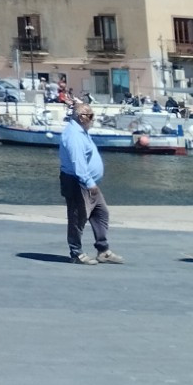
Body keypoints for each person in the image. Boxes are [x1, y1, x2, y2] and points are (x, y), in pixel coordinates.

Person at [59, 100, 122, 264]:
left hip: (88, 182)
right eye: (91, 116)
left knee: (101, 213)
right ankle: (76, 253)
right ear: (82, 117)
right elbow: (77, 162)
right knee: (78, 218)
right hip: (78, 182)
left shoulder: (81, 131)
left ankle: (103, 250)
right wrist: (89, 182)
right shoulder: (74, 136)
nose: (94, 119)